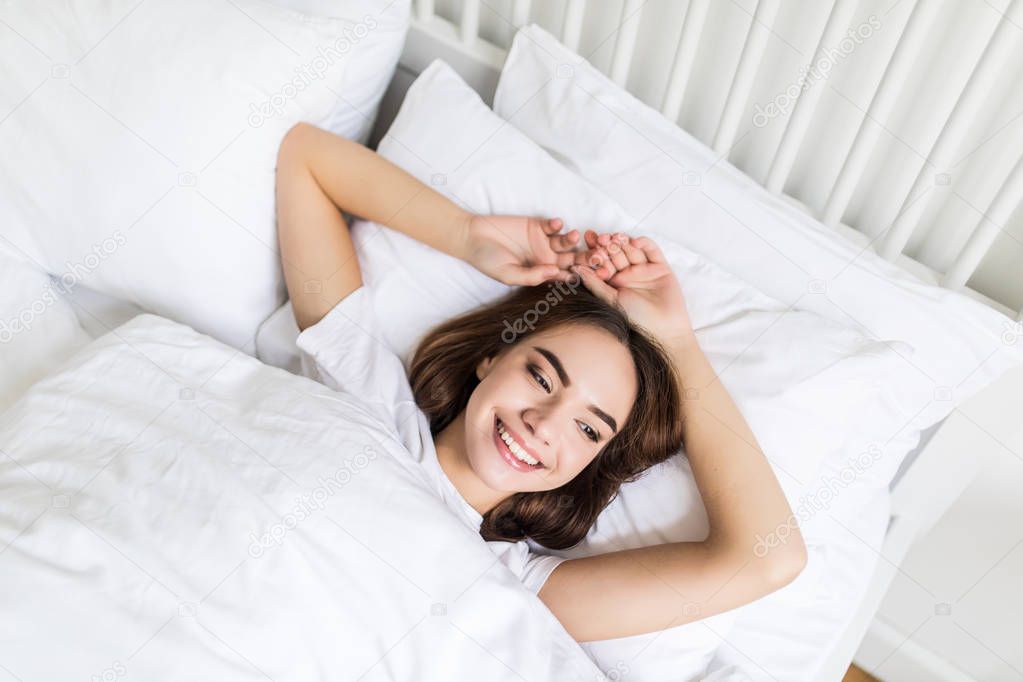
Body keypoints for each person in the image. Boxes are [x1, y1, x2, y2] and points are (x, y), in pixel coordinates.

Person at [274, 122, 807, 643]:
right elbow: (308, 158)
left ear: (589, 465)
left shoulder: (512, 588)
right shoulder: (369, 394)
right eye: (541, 376)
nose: (545, 424)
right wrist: (465, 234)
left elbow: (769, 556)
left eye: (589, 430)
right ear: (490, 357)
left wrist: (678, 344)